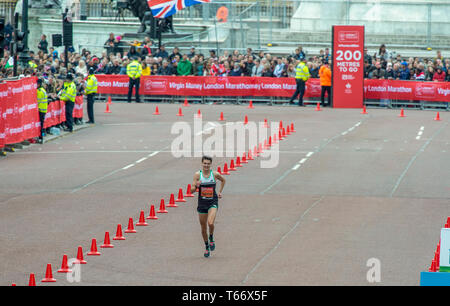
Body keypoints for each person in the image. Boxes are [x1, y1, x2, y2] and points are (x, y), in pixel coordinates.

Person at [191, 156, 226, 258]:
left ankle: (211, 237)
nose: (206, 165)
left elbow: (223, 180)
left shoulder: (214, 174)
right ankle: (207, 247)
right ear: (202, 164)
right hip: (202, 204)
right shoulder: (198, 175)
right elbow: (191, 191)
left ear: (211, 164)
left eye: (208, 163)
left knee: (210, 223)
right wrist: (197, 186)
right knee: (203, 228)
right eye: (204, 163)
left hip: (212, 202)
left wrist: (219, 192)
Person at [36, 78, 48, 143]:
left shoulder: (39, 91)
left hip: (40, 109)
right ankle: (41, 137)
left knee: (40, 124)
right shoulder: (43, 90)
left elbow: (37, 101)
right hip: (43, 109)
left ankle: (40, 138)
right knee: (41, 124)